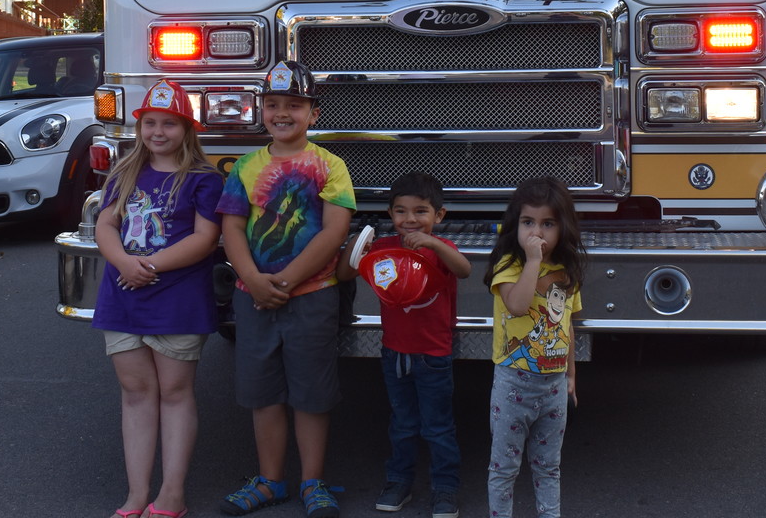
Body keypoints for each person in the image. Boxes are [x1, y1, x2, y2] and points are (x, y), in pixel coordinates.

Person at [216, 61, 356, 518]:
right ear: (261, 111)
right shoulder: (244, 167)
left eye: (294, 105)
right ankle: (271, 480)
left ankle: (312, 482)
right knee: (263, 393)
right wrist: (255, 281)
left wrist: (288, 280)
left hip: (312, 296)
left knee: (312, 393)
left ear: (313, 114)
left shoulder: (331, 167)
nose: (282, 113)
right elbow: (232, 229)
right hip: (253, 296)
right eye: (273, 104)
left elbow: (333, 233)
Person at [93, 79, 226, 518]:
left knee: (174, 392)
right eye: (150, 122)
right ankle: (135, 495)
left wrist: (147, 266)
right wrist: (123, 264)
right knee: (135, 392)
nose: (158, 132)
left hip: (177, 300)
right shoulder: (126, 171)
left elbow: (206, 239)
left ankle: (171, 494)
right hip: (123, 297)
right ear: (140, 127)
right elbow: (106, 226)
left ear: (186, 129)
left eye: (169, 123)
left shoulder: (203, 180)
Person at [336, 172, 472, 518]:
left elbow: (465, 269)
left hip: (434, 354)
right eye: (401, 212)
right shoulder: (384, 248)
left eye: (421, 212)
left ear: (439, 216)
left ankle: (445, 488)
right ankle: (399, 482)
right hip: (394, 352)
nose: (410, 220)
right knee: (402, 423)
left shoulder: (443, 250)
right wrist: (360, 242)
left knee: (438, 426)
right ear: (390, 213)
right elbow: (345, 273)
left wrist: (435, 244)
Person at [483, 177, 585, 518]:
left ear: (563, 227)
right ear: (516, 225)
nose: (536, 233)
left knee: (548, 467)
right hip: (514, 384)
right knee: (504, 468)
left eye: (547, 224)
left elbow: (566, 324)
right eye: (528, 222)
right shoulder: (509, 268)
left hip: (553, 386)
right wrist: (531, 262)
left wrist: (571, 374)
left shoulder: (565, 272)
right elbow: (517, 306)